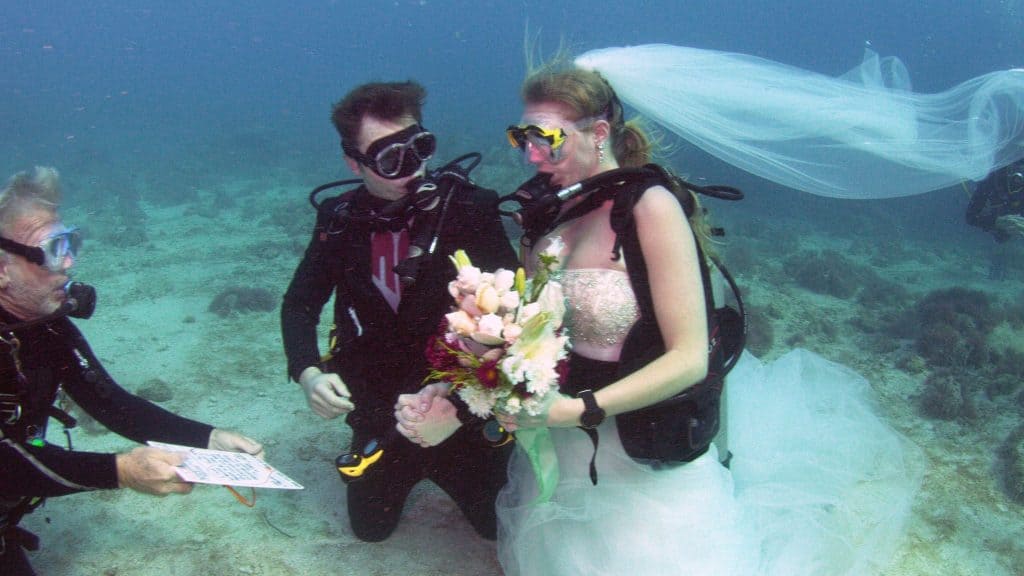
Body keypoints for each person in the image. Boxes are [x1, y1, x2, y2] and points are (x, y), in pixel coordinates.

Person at [400, 64, 924, 575]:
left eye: (547, 138)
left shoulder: (650, 209)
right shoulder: (547, 218)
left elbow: (690, 358)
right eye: (522, 138)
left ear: (599, 132)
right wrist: (463, 387)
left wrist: (578, 410)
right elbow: (527, 336)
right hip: (565, 447)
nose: (533, 155)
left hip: (642, 453)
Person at [280, 81, 519, 543]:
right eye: (392, 159)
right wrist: (308, 372)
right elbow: (300, 302)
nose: (414, 169)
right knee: (370, 529)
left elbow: (512, 317)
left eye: (421, 148)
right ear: (354, 162)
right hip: (378, 406)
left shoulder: (470, 209)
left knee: (496, 527)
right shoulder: (339, 219)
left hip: (461, 409)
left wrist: (455, 402)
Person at [0, 166, 264, 575]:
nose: (68, 264)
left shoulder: (47, 325)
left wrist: (206, 438)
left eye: (71, 243)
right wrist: (120, 471)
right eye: (52, 249)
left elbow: (110, 403)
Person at [966, 159, 1024, 242]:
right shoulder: (993, 179)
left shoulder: (993, 182)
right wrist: (996, 222)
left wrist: (995, 221)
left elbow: (971, 218)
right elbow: (971, 217)